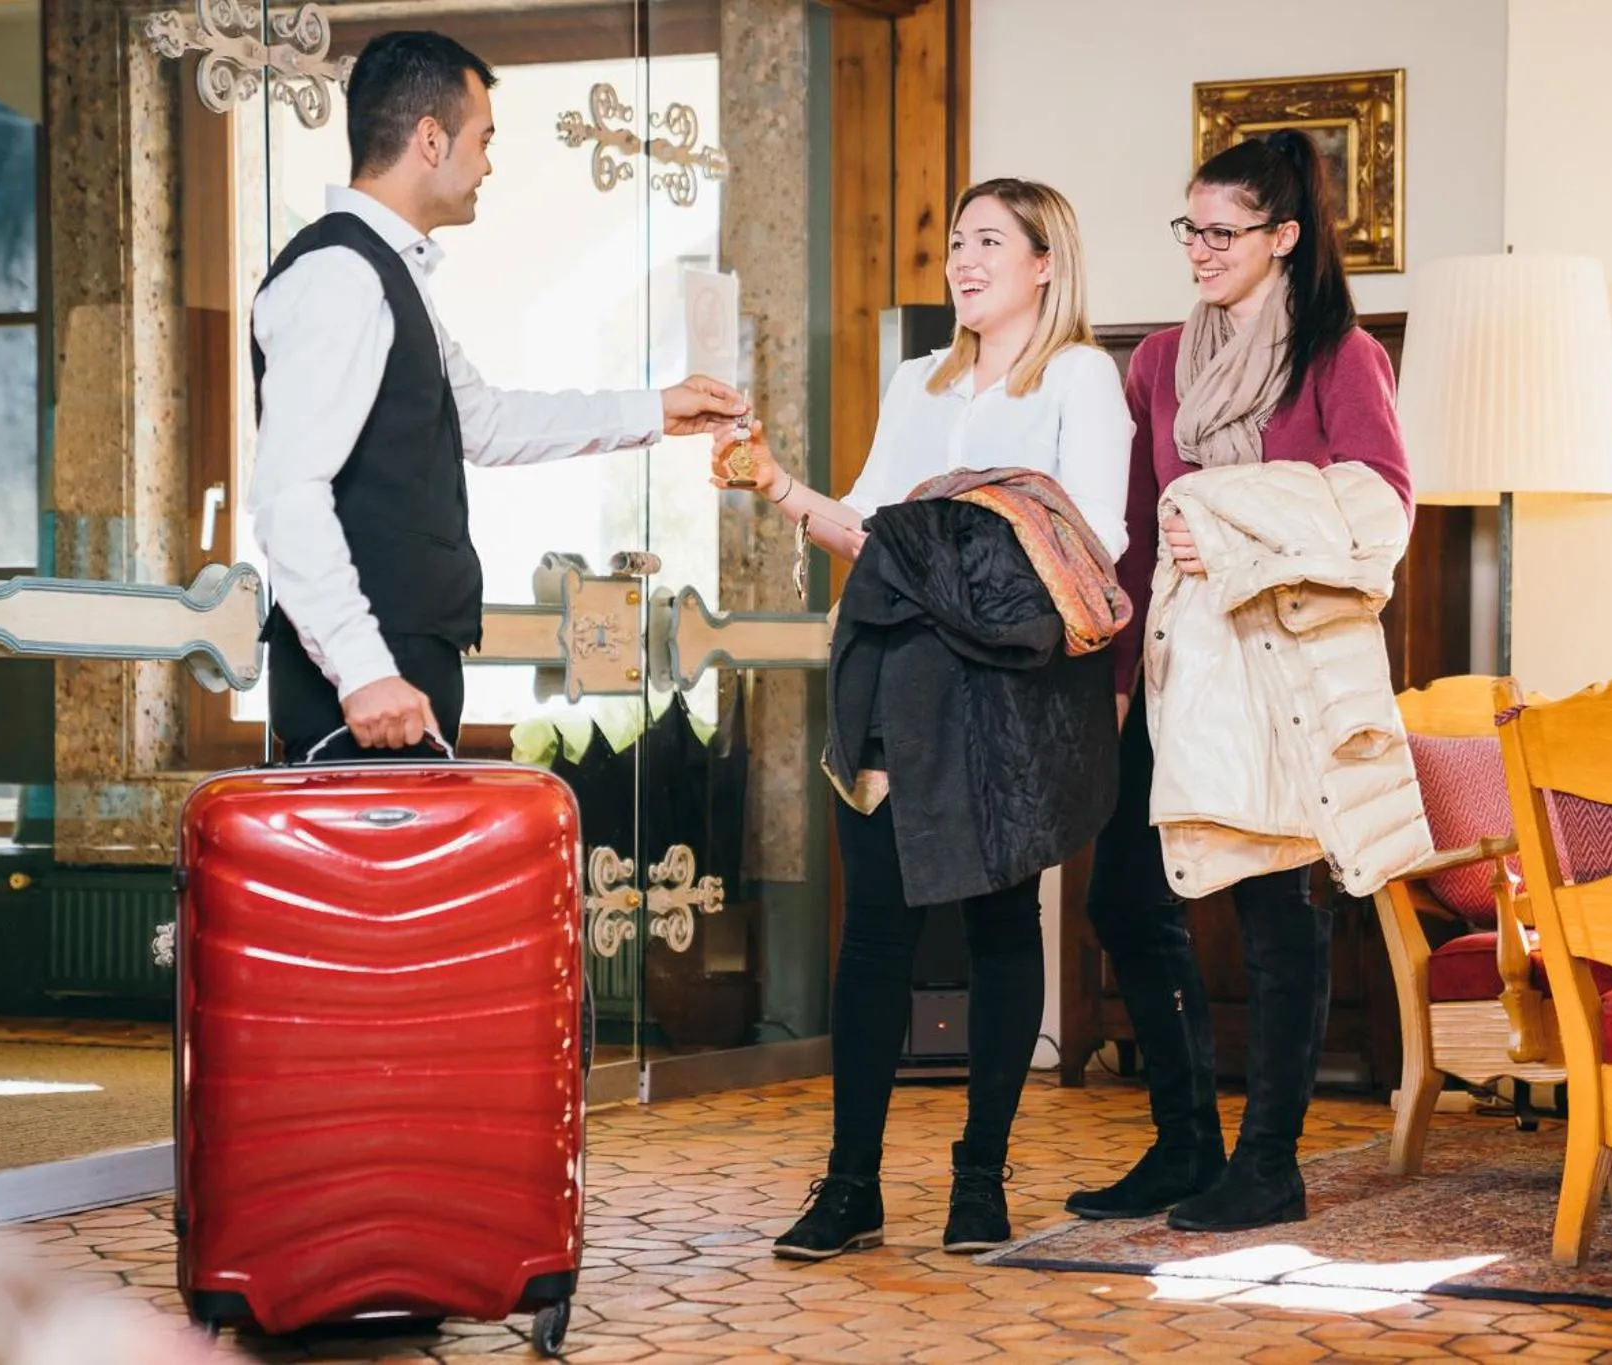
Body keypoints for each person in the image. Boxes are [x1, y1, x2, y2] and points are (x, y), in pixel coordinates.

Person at [708, 178, 1132, 1260]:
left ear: (1045, 262)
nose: (963, 259)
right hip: (891, 681)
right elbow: (869, 530)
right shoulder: (917, 381)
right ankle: (850, 1185)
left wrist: (936, 542)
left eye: (990, 240)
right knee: (874, 933)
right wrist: (779, 485)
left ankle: (978, 1180)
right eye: (955, 241)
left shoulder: (1080, 377)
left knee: (1001, 925)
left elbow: (1091, 541)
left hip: (1004, 697)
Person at [1066, 131, 1415, 1233]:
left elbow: (1381, 507)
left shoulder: (1340, 358)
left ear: (1284, 236)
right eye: (1191, 227)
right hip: (1177, 663)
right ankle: (1185, 1144)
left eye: (1223, 231)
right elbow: (1135, 531)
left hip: (1281, 665)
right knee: (1125, 897)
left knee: (1276, 908)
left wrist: (1231, 520)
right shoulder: (1158, 363)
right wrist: (1117, 673)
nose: (1200, 249)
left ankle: (1269, 1162)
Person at [247, 30, 746, 762]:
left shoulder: (387, 274)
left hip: (397, 680)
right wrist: (364, 672)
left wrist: (655, 410)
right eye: (483, 139)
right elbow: (287, 494)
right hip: (363, 698)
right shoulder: (338, 278)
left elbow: (484, 420)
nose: (488, 163)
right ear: (430, 139)